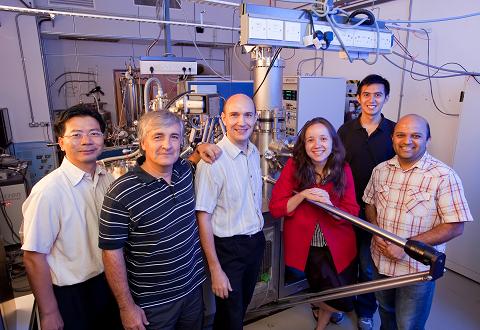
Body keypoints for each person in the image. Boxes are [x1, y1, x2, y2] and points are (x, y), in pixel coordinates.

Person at [98, 110, 221, 330]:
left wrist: (200, 147)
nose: (167, 145)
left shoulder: (184, 171)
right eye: (158, 137)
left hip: (192, 290)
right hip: (152, 306)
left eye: (174, 137)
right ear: (143, 143)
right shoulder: (121, 193)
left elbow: (193, 158)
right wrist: (126, 307)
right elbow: (111, 254)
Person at [363, 114, 473, 330]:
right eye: (401, 135)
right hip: (381, 261)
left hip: (416, 270)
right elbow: (370, 204)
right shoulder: (381, 170)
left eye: (416, 135)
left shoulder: (443, 176)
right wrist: (376, 233)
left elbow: (455, 225)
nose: (407, 141)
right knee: (385, 314)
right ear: (392, 138)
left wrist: (406, 246)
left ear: (427, 139)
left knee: (409, 324)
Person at [21, 105, 122, 330]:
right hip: (72, 294)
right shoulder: (48, 192)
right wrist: (49, 312)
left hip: (107, 284)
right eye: (76, 135)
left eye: (94, 133)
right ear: (61, 142)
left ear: (103, 138)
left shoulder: (107, 178)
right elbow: (33, 257)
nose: (86, 141)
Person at [269, 117, 360, 330]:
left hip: (339, 244)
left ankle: (320, 314)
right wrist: (303, 195)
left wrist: (329, 205)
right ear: (304, 145)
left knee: (342, 299)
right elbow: (276, 207)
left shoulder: (343, 168)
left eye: (323, 138)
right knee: (321, 289)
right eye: (310, 140)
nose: (317, 145)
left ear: (333, 142)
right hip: (308, 246)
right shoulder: (294, 166)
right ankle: (320, 321)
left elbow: (352, 210)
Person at [195, 94, 266, 330]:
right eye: (234, 115)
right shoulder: (212, 161)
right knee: (229, 318)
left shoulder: (254, 152)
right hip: (228, 250)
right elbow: (203, 216)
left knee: (241, 309)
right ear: (223, 118)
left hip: (255, 243)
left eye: (247, 115)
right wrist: (215, 269)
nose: (241, 122)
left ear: (255, 118)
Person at [337, 74, 395, 329]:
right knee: (344, 262)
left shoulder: (394, 132)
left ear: (386, 98)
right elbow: (335, 167)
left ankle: (366, 311)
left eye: (378, 95)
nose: (372, 100)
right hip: (346, 210)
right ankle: (340, 304)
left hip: (378, 214)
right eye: (367, 94)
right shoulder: (345, 130)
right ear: (358, 97)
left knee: (369, 267)